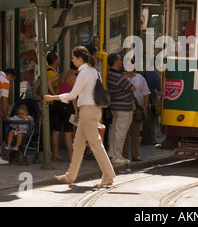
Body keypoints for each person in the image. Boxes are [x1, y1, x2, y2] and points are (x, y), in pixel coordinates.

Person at [44, 46, 115, 188]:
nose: (72, 60)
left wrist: (53, 97)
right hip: (92, 109)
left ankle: (108, 175)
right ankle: (71, 175)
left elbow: (72, 94)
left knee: (95, 145)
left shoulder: (83, 73)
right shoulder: (94, 71)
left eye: (73, 58)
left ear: (79, 59)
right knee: (79, 144)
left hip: (87, 111)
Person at [106, 53, 136, 164]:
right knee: (120, 133)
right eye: (120, 60)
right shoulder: (118, 76)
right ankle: (117, 156)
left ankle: (113, 154)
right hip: (123, 107)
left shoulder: (111, 74)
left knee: (115, 132)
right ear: (115, 62)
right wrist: (126, 81)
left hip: (115, 106)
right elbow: (133, 88)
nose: (121, 62)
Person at [48, 62, 79, 161]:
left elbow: (48, 81)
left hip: (57, 103)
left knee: (56, 130)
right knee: (68, 131)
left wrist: (54, 94)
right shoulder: (74, 78)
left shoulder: (63, 74)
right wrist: (76, 111)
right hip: (67, 105)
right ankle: (71, 156)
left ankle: (55, 153)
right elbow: (73, 96)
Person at [122, 62, 150, 161]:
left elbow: (146, 92)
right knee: (125, 132)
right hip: (125, 108)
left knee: (135, 132)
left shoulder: (140, 78)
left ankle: (135, 154)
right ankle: (124, 155)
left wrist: (145, 106)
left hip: (137, 109)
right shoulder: (121, 77)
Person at [142, 64, 162, 146]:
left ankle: (145, 138)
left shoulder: (143, 73)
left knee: (146, 120)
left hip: (144, 100)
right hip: (153, 101)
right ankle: (150, 139)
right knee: (152, 120)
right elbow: (160, 88)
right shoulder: (156, 75)